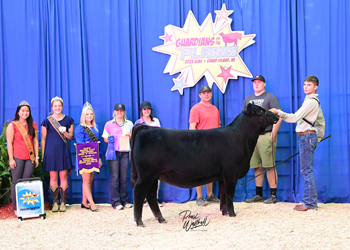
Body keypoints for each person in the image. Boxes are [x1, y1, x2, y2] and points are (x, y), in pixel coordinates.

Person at [270, 75, 325, 211]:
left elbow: (294, 118)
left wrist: (279, 112)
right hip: (308, 137)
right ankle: (309, 202)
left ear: (315, 87)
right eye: (305, 84)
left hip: (306, 137)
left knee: (306, 171)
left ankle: (310, 203)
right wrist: (318, 136)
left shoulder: (311, 102)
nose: (306, 87)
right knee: (307, 170)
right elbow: (320, 121)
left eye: (309, 85)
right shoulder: (312, 101)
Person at [243, 75, 282, 204]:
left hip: (266, 134)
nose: (256, 84)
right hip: (253, 137)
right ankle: (258, 194)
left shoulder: (270, 97)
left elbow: (279, 116)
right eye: (254, 82)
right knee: (257, 166)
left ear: (264, 84)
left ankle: (273, 195)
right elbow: (244, 119)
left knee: (269, 165)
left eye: (259, 82)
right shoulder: (248, 99)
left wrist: (273, 134)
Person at [189, 85, 220, 206]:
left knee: (212, 170)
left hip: (214, 145)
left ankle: (210, 194)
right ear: (200, 95)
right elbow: (192, 127)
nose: (206, 94)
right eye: (204, 93)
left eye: (208, 92)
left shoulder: (215, 109)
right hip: (201, 144)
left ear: (211, 94)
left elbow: (217, 127)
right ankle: (199, 197)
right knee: (199, 171)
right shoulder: (195, 108)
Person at [41, 97, 74, 212]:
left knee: (63, 176)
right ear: (52, 107)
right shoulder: (47, 121)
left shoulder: (68, 120)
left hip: (63, 151)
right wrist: (43, 154)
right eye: (55, 106)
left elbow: (71, 137)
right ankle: (55, 202)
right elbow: (43, 139)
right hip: (50, 152)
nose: (57, 108)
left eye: (59, 106)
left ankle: (63, 202)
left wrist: (65, 132)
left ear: (62, 107)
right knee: (53, 177)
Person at [6, 101, 39, 215]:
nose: (25, 113)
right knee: (16, 182)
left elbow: (35, 141)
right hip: (17, 157)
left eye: (27, 111)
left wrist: (36, 157)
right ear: (18, 112)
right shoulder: (12, 125)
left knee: (26, 182)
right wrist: (11, 159)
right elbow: (9, 143)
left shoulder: (33, 125)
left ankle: (24, 205)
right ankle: (16, 208)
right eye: (23, 110)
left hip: (29, 158)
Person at [102, 103, 133, 210]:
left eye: (121, 111)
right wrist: (112, 138)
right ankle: (116, 202)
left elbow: (132, 138)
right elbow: (105, 138)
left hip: (125, 152)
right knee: (115, 178)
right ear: (114, 112)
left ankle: (125, 200)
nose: (119, 112)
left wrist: (130, 136)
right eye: (117, 111)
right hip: (113, 153)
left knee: (124, 179)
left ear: (124, 112)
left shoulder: (129, 124)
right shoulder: (108, 124)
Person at [75, 102, 103, 212]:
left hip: (94, 156)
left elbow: (99, 144)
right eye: (87, 114)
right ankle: (92, 203)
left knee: (90, 180)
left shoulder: (97, 127)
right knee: (86, 180)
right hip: (84, 157)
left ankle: (84, 202)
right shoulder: (80, 128)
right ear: (83, 115)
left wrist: (99, 158)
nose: (89, 116)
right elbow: (80, 143)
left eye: (91, 114)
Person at [134, 101, 162, 207]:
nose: (147, 111)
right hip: (143, 153)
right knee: (143, 177)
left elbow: (161, 135)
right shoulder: (137, 123)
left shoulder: (156, 122)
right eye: (144, 109)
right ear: (141, 111)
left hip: (156, 152)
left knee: (157, 177)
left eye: (148, 109)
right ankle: (144, 199)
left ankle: (154, 199)